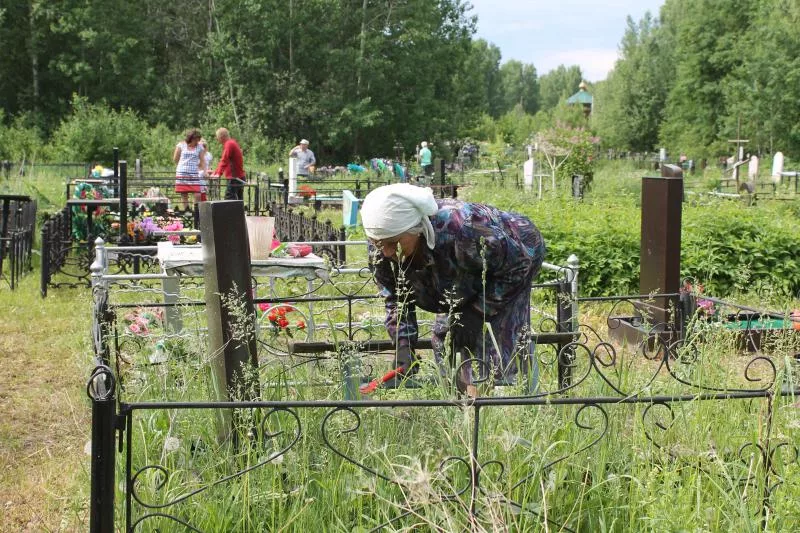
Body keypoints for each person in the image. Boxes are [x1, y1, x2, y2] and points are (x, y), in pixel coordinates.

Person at [361, 184, 546, 392]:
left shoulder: (463, 228)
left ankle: (503, 401)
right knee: (448, 336)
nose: (386, 252)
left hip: (515, 254)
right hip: (459, 265)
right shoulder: (382, 247)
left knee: (489, 341)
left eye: (393, 243)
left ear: (417, 229)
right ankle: (456, 400)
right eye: (378, 243)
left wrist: (478, 311)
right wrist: (403, 345)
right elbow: (396, 297)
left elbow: (518, 263)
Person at [173, 129, 207, 211]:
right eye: (196, 139)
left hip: (194, 173)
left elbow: (202, 161)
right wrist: (182, 166)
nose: (197, 141)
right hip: (182, 173)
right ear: (191, 138)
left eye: (198, 139)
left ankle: (196, 211)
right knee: (184, 194)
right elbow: (175, 159)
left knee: (197, 194)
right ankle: (187, 211)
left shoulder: (200, 147)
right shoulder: (181, 145)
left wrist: (204, 171)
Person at [211, 128, 246, 201]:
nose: (217, 140)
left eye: (217, 137)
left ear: (222, 136)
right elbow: (223, 161)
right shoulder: (232, 143)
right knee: (238, 200)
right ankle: (239, 212)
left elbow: (224, 159)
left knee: (229, 199)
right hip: (239, 176)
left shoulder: (229, 144)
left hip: (234, 178)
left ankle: (230, 212)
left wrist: (218, 174)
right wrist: (215, 172)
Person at [198, 137, 213, 202]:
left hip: (206, 174)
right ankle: (201, 204)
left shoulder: (209, 155)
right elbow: (198, 166)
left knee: (205, 190)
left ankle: (204, 204)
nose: (204, 148)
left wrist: (209, 171)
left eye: (205, 146)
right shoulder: (198, 154)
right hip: (199, 174)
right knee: (201, 191)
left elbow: (209, 165)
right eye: (202, 146)